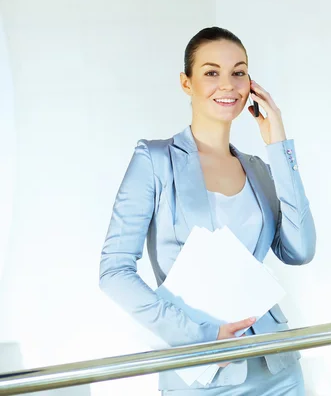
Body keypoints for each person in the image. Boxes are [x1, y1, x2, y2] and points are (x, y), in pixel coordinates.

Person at [99, 26, 316, 395]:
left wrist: (279, 147)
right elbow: (113, 271)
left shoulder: (258, 169)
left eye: (239, 72)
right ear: (187, 83)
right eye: (211, 72)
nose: (228, 84)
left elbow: (300, 250)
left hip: (276, 364)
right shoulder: (154, 160)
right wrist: (200, 334)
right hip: (201, 367)